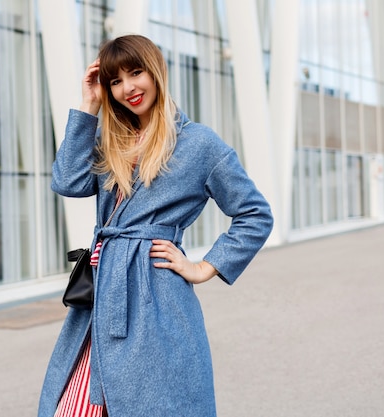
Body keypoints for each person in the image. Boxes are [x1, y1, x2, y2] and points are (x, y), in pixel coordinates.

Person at [38, 34, 273, 417]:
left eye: (136, 73)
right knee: (74, 406)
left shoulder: (199, 144)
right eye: (115, 81)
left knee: (151, 401)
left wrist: (202, 267)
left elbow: (254, 214)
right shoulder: (110, 139)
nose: (127, 88)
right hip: (102, 293)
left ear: (156, 71)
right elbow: (67, 181)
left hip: (155, 297)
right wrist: (88, 106)